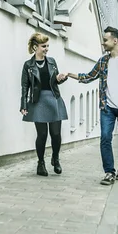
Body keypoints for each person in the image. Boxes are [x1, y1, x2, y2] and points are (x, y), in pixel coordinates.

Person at [62, 26, 118, 185]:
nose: (103, 43)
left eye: (105, 40)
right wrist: (69, 74)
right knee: (105, 138)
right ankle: (109, 172)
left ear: (115, 41)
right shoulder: (103, 61)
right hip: (108, 108)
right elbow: (88, 77)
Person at [20, 32, 69, 176]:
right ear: (35, 47)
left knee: (56, 134)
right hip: (38, 101)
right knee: (42, 135)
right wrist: (23, 105)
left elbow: (55, 81)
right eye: (43, 46)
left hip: (54, 99)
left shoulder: (52, 62)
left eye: (47, 46)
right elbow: (24, 86)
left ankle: (56, 158)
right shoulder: (28, 65)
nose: (46, 49)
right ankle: (40, 163)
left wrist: (60, 78)